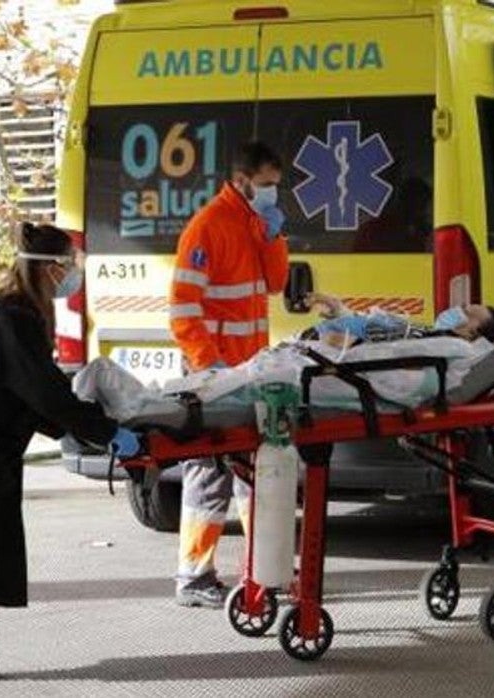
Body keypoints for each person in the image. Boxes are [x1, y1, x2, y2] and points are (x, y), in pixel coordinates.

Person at [0, 222, 141, 680]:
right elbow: (43, 391)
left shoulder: (24, 315)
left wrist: (71, 432)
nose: (73, 275)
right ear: (50, 270)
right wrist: (101, 430)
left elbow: (30, 395)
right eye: (68, 266)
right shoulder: (13, 318)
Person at [168, 141, 289, 608]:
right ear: (240, 182)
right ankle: (194, 577)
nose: (272, 194)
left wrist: (273, 236)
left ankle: (265, 566)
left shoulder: (254, 223)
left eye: (276, 186)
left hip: (248, 366)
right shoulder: (208, 227)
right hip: (214, 369)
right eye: (265, 186)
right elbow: (183, 311)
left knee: (254, 470)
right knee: (208, 472)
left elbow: (276, 284)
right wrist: (208, 365)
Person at [305, 292, 494, 346]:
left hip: (325, 342)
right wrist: (339, 309)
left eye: (467, 311)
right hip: (322, 336)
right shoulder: (431, 334)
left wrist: (347, 341)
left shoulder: (445, 346)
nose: (458, 309)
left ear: (472, 333)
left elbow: (383, 346)